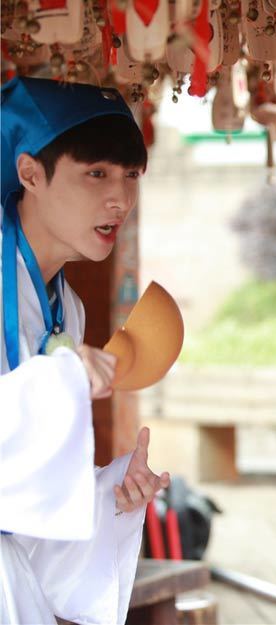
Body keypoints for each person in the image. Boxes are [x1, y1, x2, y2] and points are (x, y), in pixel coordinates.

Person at [1, 76, 170, 624]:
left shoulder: (67, 308)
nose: (120, 198)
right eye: (96, 172)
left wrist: (105, 496)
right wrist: (58, 380)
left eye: (131, 175)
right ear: (30, 173)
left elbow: (25, 509)